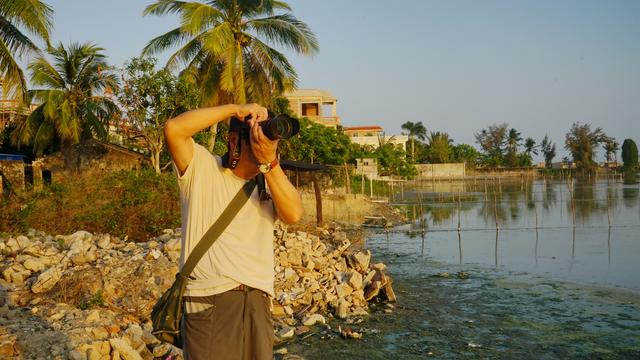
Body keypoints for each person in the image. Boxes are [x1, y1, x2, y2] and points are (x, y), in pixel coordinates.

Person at [164, 103, 303, 360]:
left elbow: (294, 214)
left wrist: (269, 162)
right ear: (232, 141)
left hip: (257, 302)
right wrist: (235, 109)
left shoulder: (269, 180)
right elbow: (174, 129)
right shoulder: (203, 168)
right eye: (253, 139)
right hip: (209, 299)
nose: (261, 144)